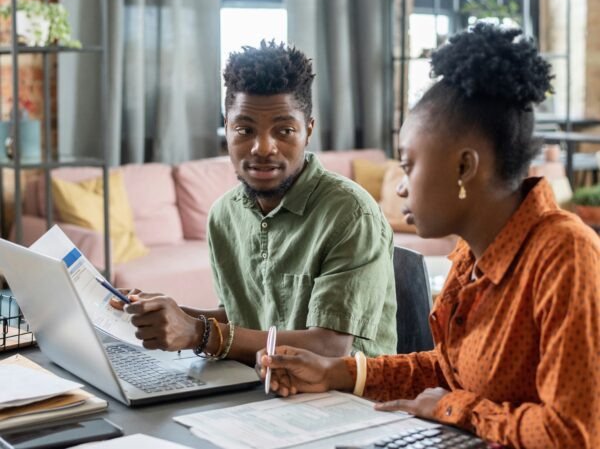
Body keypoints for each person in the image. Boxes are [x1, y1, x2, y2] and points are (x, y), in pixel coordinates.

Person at [257, 24, 600, 448]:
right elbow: (451, 370)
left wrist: (452, 409)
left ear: (464, 167)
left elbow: (573, 433)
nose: (401, 186)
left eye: (409, 164)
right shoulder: (470, 257)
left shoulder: (565, 254)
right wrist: (339, 372)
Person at [112, 40, 397, 364]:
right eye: (244, 129)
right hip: (258, 385)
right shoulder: (224, 214)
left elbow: (330, 347)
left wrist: (198, 332)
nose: (263, 147)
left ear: (308, 131)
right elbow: (242, 318)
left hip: (347, 403)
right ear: (227, 130)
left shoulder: (350, 214)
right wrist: (166, 315)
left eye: (284, 130)